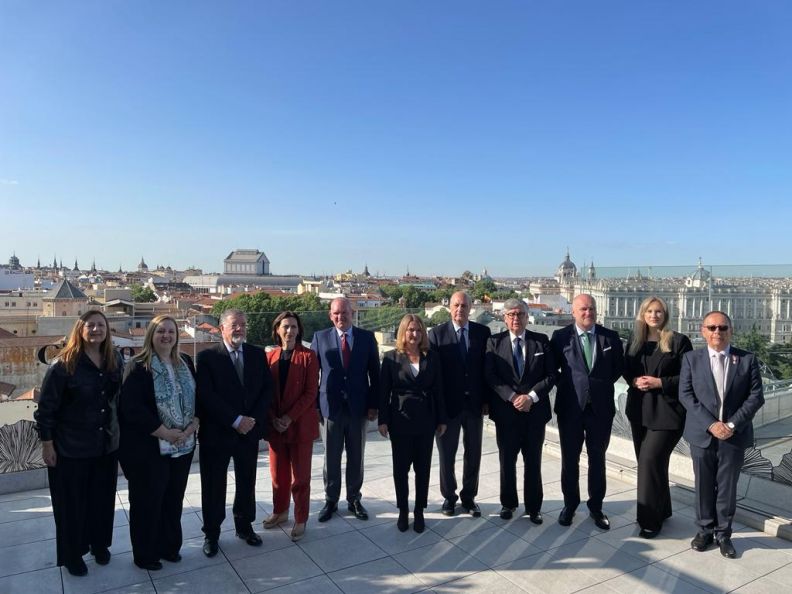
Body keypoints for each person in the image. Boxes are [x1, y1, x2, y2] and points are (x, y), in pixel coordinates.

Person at [35, 310, 122, 576]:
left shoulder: (114, 359)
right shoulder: (63, 365)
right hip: (70, 448)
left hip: (104, 445)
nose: (96, 330)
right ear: (80, 330)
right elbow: (45, 409)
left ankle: (99, 545)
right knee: (72, 506)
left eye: (101, 325)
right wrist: (47, 444)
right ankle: (73, 555)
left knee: (102, 501)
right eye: (91, 325)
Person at [679, 311, 764, 558]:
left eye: (723, 327)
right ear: (703, 330)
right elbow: (686, 395)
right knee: (703, 485)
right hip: (703, 434)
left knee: (727, 487)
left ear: (731, 330)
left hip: (733, 436)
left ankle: (724, 534)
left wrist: (731, 425)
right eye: (712, 327)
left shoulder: (747, 360)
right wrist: (711, 424)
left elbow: (755, 397)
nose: (718, 332)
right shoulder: (691, 359)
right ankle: (704, 531)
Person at [119, 315, 199, 570]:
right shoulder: (137, 365)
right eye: (160, 331)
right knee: (147, 503)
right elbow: (131, 409)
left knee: (173, 499)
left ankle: (169, 546)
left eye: (171, 331)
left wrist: (193, 424)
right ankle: (145, 554)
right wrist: (164, 432)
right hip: (149, 449)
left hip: (183, 445)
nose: (166, 336)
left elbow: (198, 397)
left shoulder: (185, 361)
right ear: (151, 335)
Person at [196, 308, 273, 557]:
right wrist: (235, 419)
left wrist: (252, 421)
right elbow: (207, 396)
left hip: (248, 432)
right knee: (213, 485)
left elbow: (266, 390)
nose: (239, 329)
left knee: (246, 481)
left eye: (242, 324)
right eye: (234, 325)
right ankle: (212, 533)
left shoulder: (257, 354)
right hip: (217, 433)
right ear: (222, 329)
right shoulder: (207, 357)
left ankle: (244, 525)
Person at [550, 293, 624, 530]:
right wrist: (576, 387)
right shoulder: (560, 337)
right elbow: (552, 369)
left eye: (591, 308)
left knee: (598, 459)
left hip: (600, 409)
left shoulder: (610, 337)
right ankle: (569, 505)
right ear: (573, 312)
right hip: (570, 408)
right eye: (582, 309)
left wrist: (595, 387)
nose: (588, 313)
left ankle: (596, 507)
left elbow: (617, 369)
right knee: (569, 460)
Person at [623, 297, 692, 539]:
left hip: (668, 413)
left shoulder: (679, 341)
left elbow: (687, 377)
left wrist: (659, 382)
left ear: (666, 314)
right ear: (642, 314)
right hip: (639, 411)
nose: (654, 315)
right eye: (650, 311)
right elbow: (626, 370)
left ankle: (649, 521)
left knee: (649, 462)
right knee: (654, 465)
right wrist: (634, 380)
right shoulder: (635, 341)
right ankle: (663, 510)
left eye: (659, 311)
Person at [311, 297, 380, 522]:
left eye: (344, 312)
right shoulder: (320, 338)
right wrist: (315, 407)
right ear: (331, 316)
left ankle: (354, 499)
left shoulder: (367, 338)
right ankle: (331, 500)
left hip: (358, 409)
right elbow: (312, 376)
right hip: (329, 409)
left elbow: (375, 375)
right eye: (336, 314)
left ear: (353, 313)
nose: (341, 317)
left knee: (356, 456)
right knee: (330, 458)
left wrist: (373, 405)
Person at [485, 299, 555, 522]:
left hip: (534, 414)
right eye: (511, 314)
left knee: (533, 462)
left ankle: (533, 508)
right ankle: (508, 504)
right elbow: (490, 376)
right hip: (506, 414)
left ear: (527, 316)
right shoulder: (494, 343)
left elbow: (552, 375)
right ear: (504, 318)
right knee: (507, 461)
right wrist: (514, 397)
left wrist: (531, 397)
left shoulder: (541, 341)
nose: (516, 318)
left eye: (520, 314)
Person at [378, 314, 447, 532]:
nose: (414, 334)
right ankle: (403, 511)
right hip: (400, 420)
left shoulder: (432, 357)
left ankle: (419, 510)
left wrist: (442, 418)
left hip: (426, 420)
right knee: (401, 469)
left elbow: (439, 391)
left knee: (423, 469)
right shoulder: (391, 358)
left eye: (418, 330)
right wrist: (383, 420)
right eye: (410, 330)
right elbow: (383, 393)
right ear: (403, 332)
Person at [429, 291, 491, 517]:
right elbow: (434, 376)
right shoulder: (436, 334)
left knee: (473, 452)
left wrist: (486, 400)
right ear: (449, 307)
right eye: (456, 305)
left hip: (474, 405)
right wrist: (438, 408)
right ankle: (449, 498)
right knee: (447, 454)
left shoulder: (482, 333)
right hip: (447, 407)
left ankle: (469, 498)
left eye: (464, 306)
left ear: (471, 307)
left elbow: (487, 371)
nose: (460, 309)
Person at [263, 311, 320, 542]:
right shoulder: (270, 357)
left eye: (294, 327)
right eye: (285, 326)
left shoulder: (308, 356)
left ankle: (300, 517)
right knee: (278, 475)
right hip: (275, 426)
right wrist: (273, 418)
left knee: (301, 477)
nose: (290, 331)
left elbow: (310, 393)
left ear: (299, 330)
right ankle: (280, 511)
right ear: (277, 329)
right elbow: (264, 392)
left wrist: (289, 417)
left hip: (299, 426)